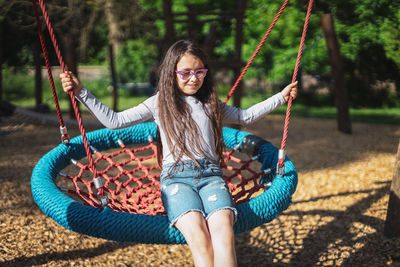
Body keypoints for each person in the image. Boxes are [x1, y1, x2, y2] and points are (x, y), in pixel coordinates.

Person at [60, 39, 297, 267]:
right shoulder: (159, 102)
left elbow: (245, 117)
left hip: (211, 177)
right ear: (171, 73)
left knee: (223, 231)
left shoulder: (211, 103)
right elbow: (115, 121)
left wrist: (281, 97)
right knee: (200, 237)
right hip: (176, 180)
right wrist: (81, 92)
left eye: (200, 72)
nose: (193, 79)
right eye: (185, 73)